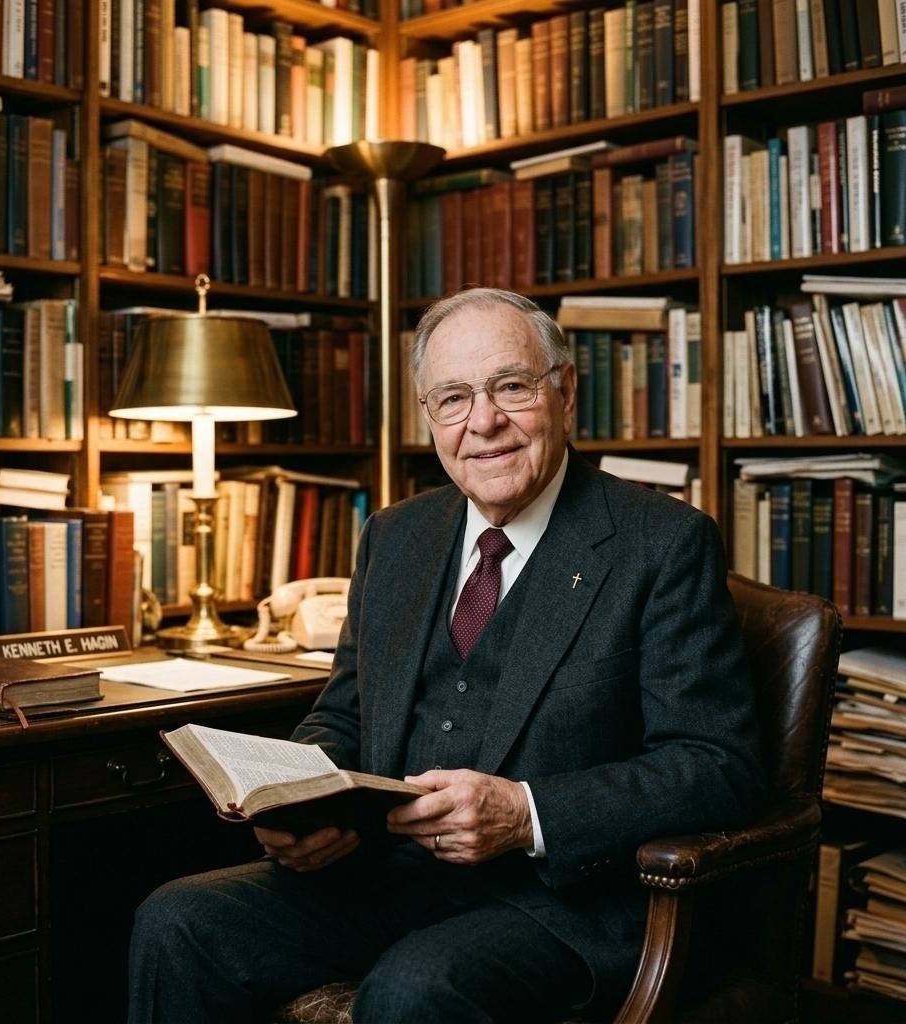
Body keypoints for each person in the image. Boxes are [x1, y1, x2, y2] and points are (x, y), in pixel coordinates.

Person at [128, 287, 765, 1024]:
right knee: (177, 921)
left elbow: (718, 763)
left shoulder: (662, 541)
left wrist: (525, 814)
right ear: (429, 418)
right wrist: (301, 801)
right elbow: (344, 711)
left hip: (560, 901)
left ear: (563, 391)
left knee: (416, 989)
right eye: (453, 398)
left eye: (512, 387)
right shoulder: (395, 537)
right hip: (385, 874)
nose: (483, 423)